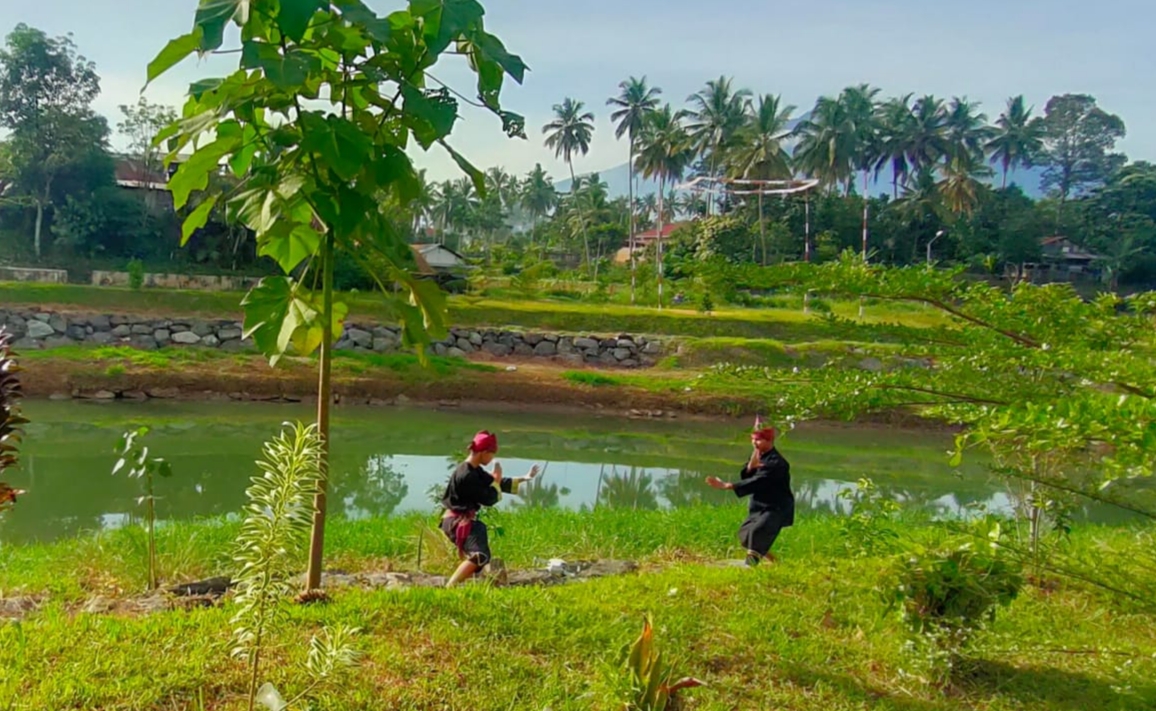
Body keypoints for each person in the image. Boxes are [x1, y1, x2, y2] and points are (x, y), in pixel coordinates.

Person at [441, 430, 539, 587]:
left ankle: (468, 584)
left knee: (480, 556)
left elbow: (493, 482)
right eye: (491, 454)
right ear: (484, 452)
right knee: (480, 555)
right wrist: (496, 479)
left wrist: (524, 478)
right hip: (456, 521)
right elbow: (488, 498)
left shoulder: (474, 470)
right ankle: (450, 587)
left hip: (459, 520)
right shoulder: (466, 475)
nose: (492, 458)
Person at [706, 422, 794, 566]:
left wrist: (728, 486)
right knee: (745, 536)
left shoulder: (777, 463)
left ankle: (750, 566)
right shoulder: (758, 456)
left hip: (776, 506)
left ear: (769, 441)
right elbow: (748, 477)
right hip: (760, 504)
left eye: (758, 440)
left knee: (757, 533)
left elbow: (759, 481)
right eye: (753, 439)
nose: (754, 443)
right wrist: (749, 467)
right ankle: (775, 563)